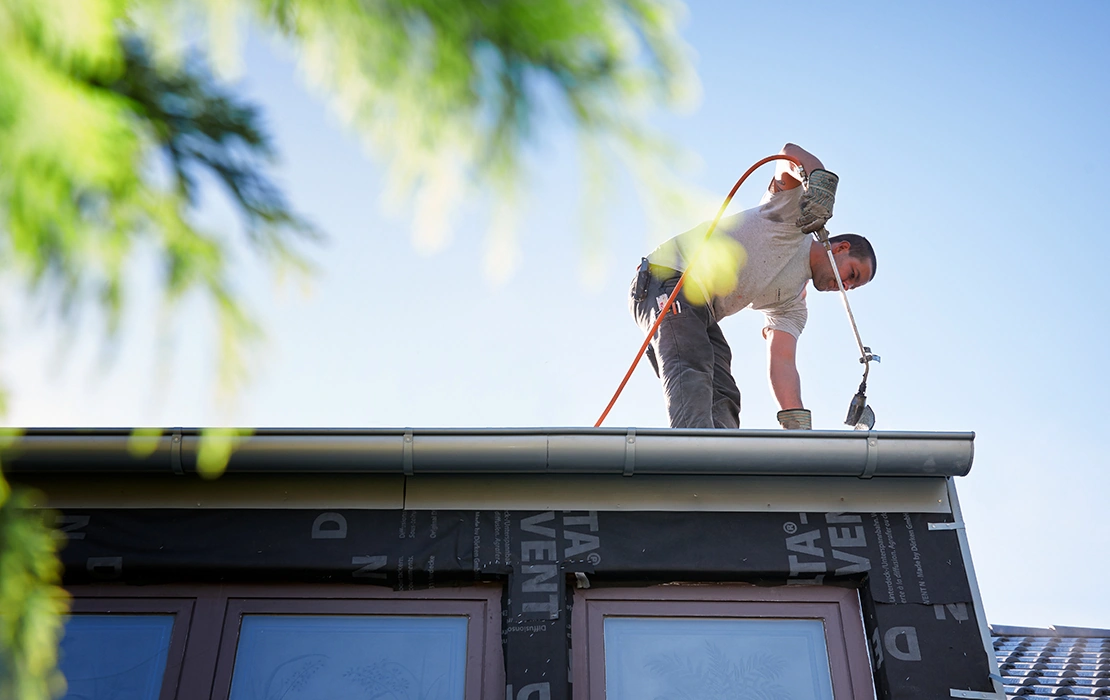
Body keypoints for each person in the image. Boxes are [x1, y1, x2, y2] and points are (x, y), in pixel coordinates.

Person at [629, 143, 877, 430]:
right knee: (692, 363)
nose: (845, 286)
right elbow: (788, 154)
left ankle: (719, 462)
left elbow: (783, 362)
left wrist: (798, 426)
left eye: (852, 287)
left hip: (700, 311)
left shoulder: (793, 304)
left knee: (724, 391)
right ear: (841, 248)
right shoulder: (794, 217)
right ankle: (692, 457)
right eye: (852, 275)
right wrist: (820, 185)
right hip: (668, 278)